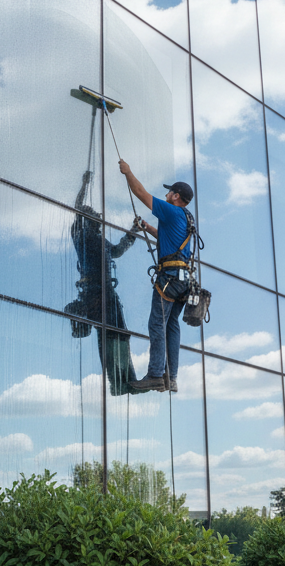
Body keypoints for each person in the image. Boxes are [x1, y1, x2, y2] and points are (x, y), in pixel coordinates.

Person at [117, 159, 194, 393]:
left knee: (157, 324)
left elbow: (140, 192)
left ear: (176, 195)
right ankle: (171, 378)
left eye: (170, 192)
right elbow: (169, 240)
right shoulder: (186, 218)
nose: (168, 194)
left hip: (169, 279)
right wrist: (148, 228)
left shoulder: (171, 210)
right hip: (183, 281)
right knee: (171, 326)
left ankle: (154, 375)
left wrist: (128, 172)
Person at [66, 171, 138, 395]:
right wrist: (84, 183)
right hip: (94, 293)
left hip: (107, 293)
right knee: (107, 335)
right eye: (93, 216)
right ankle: (116, 382)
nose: (98, 218)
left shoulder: (99, 239)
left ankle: (126, 380)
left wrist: (133, 232)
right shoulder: (81, 237)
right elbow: (78, 206)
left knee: (120, 334)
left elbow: (116, 250)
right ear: (85, 220)